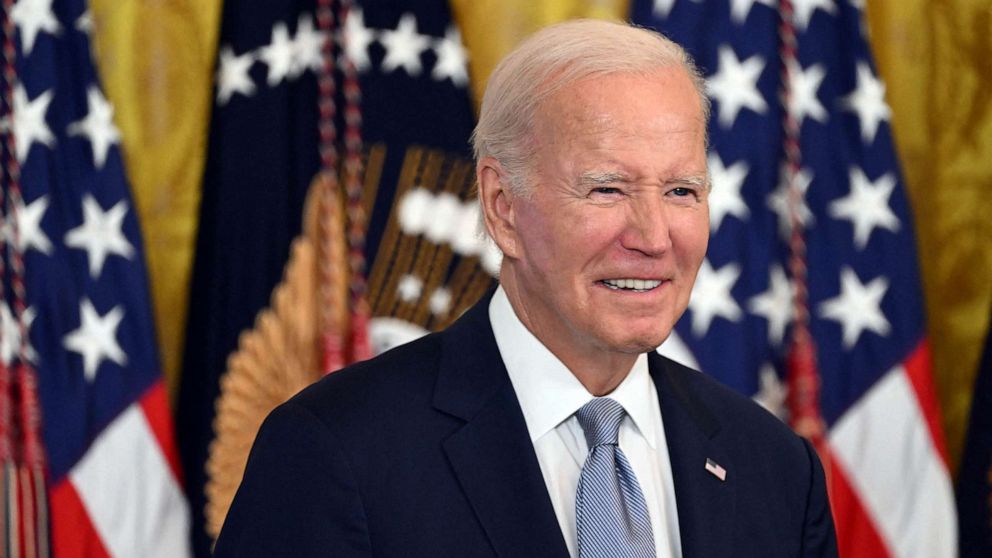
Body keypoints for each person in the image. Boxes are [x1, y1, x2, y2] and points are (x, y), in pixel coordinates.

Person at [214, 19, 837, 557]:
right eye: (607, 189)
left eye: (681, 191)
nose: (654, 237)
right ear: (502, 207)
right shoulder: (337, 453)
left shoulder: (775, 469)